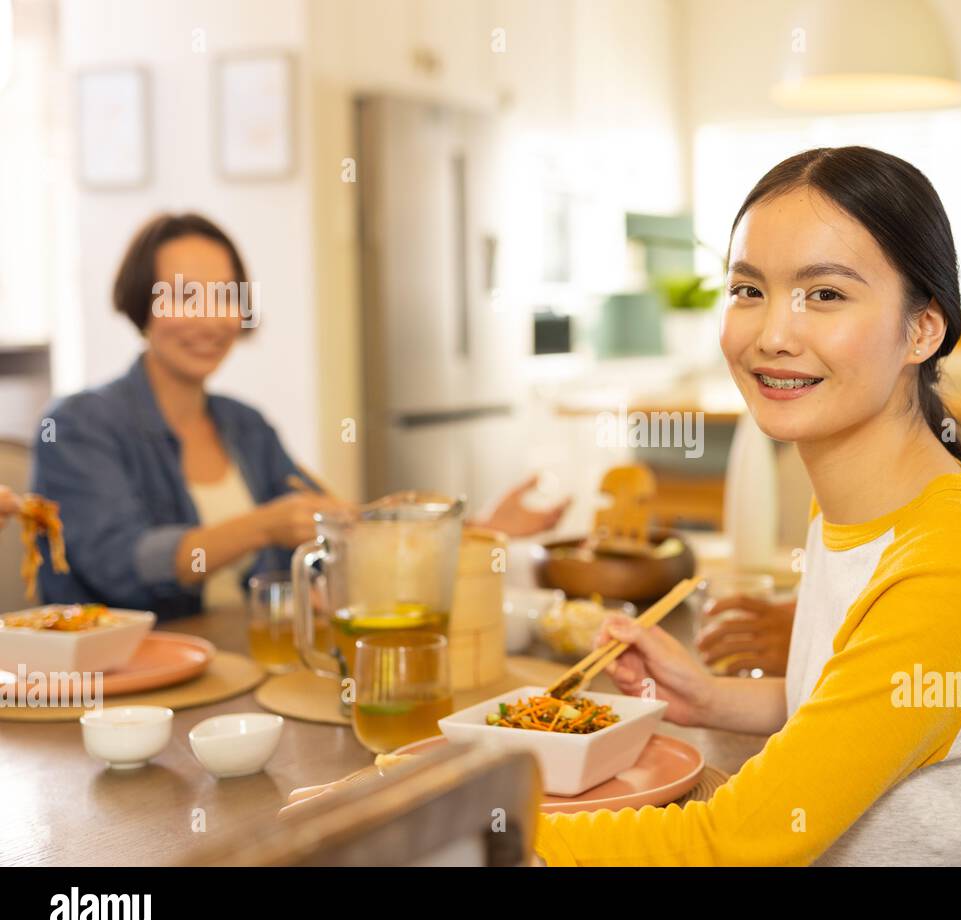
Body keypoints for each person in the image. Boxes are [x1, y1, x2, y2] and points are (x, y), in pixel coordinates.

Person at [534, 147, 961, 866]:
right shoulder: (863, 502)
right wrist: (710, 699)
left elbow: (730, 844)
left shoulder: (952, 555)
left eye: (824, 294)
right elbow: (856, 711)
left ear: (923, 328)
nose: (773, 335)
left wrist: (461, 823)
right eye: (748, 290)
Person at [31, 213, 566, 620]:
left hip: (242, 667)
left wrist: (479, 530)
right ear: (140, 305)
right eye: (182, 296)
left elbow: (340, 525)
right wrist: (262, 524)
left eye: (224, 297)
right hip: (120, 701)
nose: (208, 318)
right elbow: (122, 566)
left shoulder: (244, 426)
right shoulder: (79, 425)